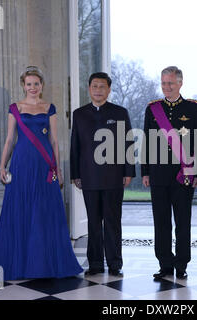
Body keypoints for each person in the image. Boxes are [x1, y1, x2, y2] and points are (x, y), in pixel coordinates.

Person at [0, 66, 83, 280]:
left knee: (45, 210)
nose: (32, 87)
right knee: (21, 208)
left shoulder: (50, 107)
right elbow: (10, 140)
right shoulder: (15, 108)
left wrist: (58, 168)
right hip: (21, 164)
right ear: (23, 85)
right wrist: (2, 166)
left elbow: (55, 141)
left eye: (36, 84)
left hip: (45, 165)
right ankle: (20, 260)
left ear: (41, 86)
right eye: (28, 84)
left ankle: (45, 262)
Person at [141, 66, 197, 280]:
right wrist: (145, 171)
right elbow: (147, 142)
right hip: (158, 174)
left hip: (184, 174)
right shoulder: (153, 109)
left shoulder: (194, 109)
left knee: (182, 221)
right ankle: (165, 264)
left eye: (170, 83)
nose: (166, 87)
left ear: (180, 83)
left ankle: (181, 264)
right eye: (163, 83)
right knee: (161, 222)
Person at [70, 72, 135, 277]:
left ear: (108, 89)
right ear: (89, 89)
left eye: (102, 86)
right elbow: (75, 146)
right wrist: (75, 174)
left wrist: (128, 172)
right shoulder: (79, 114)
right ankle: (95, 264)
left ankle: (115, 263)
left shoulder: (120, 112)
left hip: (114, 176)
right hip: (88, 176)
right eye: (94, 86)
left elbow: (127, 144)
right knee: (93, 221)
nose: (98, 90)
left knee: (113, 221)